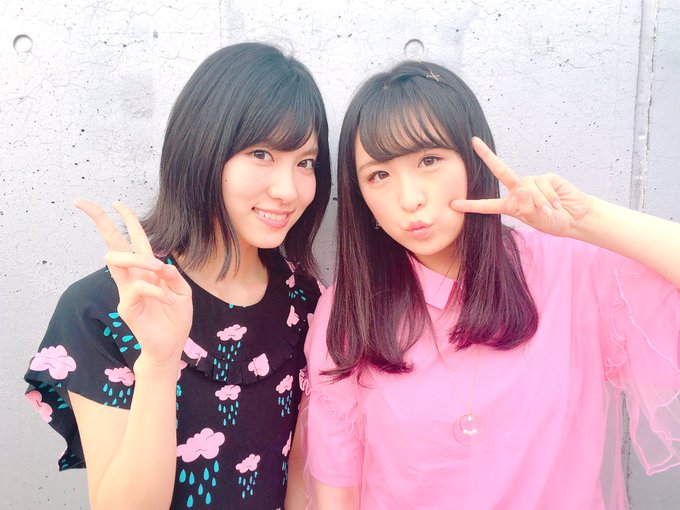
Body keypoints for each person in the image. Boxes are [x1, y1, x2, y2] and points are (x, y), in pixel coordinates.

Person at [302, 60, 680, 509]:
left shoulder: (567, 270)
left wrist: (586, 221)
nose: (410, 198)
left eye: (429, 160)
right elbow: (337, 491)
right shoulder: (350, 309)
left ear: (473, 160)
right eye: (379, 175)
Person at [24, 42, 331, 510]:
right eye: (261, 153)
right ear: (202, 148)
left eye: (304, 162)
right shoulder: (103, 309)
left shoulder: (308, 301)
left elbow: (304, 480)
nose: (289, 190)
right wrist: (159, 365)